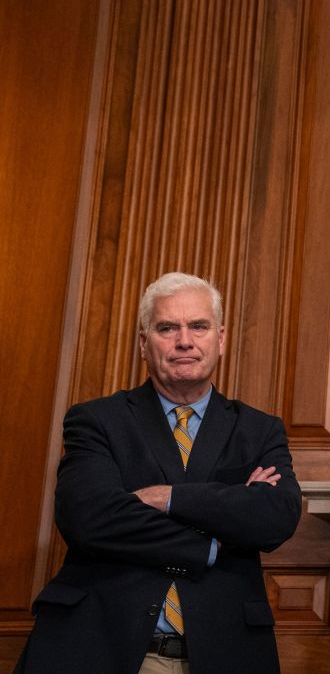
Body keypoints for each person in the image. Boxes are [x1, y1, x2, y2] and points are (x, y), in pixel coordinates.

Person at [19, 273, 302, 674]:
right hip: (99, 647)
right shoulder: (97, 420)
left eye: (198, 326)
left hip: (224, 654)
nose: (184, 341)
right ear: (143, 343)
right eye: (167, 327)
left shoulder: (258, 429)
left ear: (220, 339)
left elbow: (275, 517)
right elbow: (90, 519)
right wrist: (213, 541)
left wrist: (166, 497)